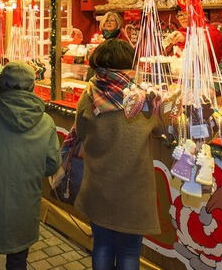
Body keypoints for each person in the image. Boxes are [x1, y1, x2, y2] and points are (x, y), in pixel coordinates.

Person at [74, 38, 162, 270]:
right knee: (130, 251)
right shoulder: (143, 99)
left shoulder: (90, 94)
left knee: (102, 245)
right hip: (135, 190)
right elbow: (163, 129)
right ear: (129, 65)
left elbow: (81, 132)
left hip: (99, 184)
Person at [0, 61, 60, 270]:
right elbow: (52, 164)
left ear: (1, 85)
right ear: (32, 86)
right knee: (17, 260)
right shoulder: (46, 122)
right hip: (25, 202)